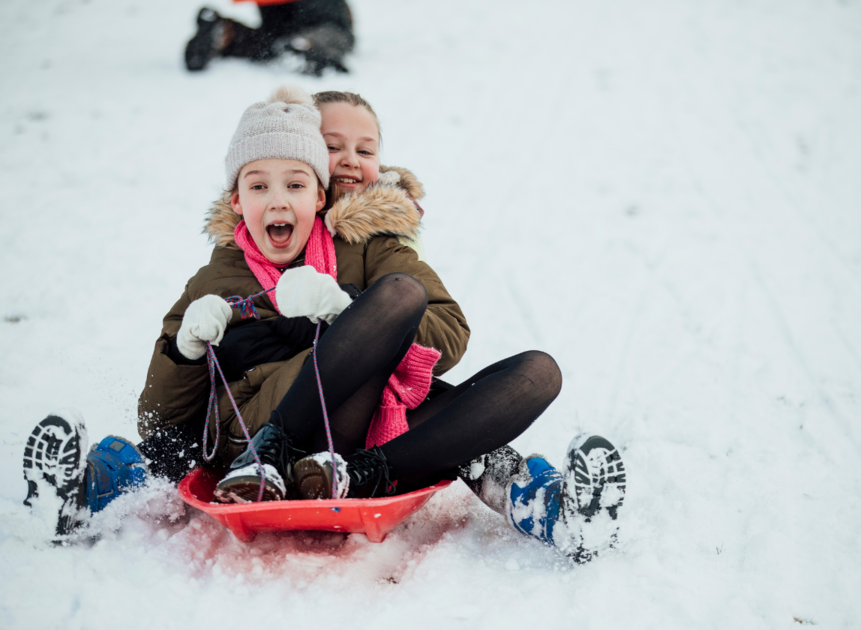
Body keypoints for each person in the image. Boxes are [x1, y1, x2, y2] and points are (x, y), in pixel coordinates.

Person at [23, 87, 626, 562]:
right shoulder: (236, 256)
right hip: (269, 424)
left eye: (365, 150)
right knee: (159, 453)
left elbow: (448, 333)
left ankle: (549, 507)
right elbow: (168, 420)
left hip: (370, 438)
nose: (349, 163)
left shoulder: (378, 244)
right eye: (332, 147)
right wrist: (192, 350)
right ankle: (87, 492)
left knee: (525, 378)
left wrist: (351, 313)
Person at [184, 0, 354, 76]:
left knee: (271, 41)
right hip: (317, 7)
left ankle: (229, 33)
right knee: (336, 30)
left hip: (275, 7)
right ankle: (305, 44)